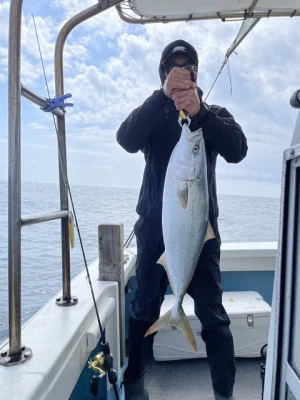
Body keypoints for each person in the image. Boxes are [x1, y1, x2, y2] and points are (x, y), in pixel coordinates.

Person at [117, 39, 248, 400]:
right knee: (143, 312)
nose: (179, 73)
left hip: (199, 236)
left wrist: (201, 112)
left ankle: (225, 394)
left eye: (186, 67)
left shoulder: (213, 114)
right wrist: (162, 97)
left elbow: (238, 149)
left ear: (195, 74)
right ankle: (135, 388)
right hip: (154, 234)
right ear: (163, 75)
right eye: (171, 69)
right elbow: (125, 139)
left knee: (215, 319)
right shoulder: (155, 116)